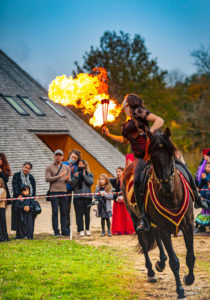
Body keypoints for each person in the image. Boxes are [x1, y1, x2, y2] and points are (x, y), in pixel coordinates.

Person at [103, 93, 164, 231]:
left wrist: (151, 131)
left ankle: (196, 196)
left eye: (124, 99)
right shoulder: (126, 121)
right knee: (136, 181)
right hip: (139, 157)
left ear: (129, 103)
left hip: (149, 152)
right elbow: (124, 141)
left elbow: (159, 120)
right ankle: (143, 216)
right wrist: (108, 135)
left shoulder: (139, 112)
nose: (122, 101)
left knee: (177, 165)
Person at [45, 149, 71, 237]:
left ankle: (64, 230)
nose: (58, 157)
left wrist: (68, 179)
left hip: (64, 192)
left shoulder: (66, 167)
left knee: (64, 212)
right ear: (54, 156)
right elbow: (47, 179)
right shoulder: (49, 167)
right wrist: (58, 176)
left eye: (60, 155)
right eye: (57, 155)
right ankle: (56, 231)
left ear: (63, 157)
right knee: (55, 212)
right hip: (54, 192)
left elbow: (69, 180)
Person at [70, 160, 93, 237]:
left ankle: (87, 229)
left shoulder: (89, 174)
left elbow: (90, 182)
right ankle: (81, 230)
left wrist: (84, 175)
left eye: (82, 164)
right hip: (78, 197)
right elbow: (72, 186)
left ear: (85, 166)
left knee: (87, 214)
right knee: (79, 214)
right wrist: (76, 177)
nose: (80, 165)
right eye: (79, 164)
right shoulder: (75, 174)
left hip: (87, 197)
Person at [12, 162, 36, 232]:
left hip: (28, 199)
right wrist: (18, 194)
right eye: (25, 167)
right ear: (23, 166)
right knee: (19, 216)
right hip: (19, 198)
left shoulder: (31, 177)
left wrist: (33, 198)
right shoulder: (16, 175)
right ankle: (19, 234)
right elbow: (14, 186)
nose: (26, 169)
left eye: (28, 168)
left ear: (30, 170)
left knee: (28, 216)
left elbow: (34, 188)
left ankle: (27, 232)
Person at [110, 167, 135, 235]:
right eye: (117, 172)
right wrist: (116, 192)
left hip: (125, 201)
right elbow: (113, 189)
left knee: (126, 215)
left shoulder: (126, 180)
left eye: (119, 171)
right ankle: (118, 229)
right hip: (117, 200)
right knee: (118, 216)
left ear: (122, 172)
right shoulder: (114, 181)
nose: (118, 173)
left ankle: (127, 229)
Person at [63, 149, 81, 234]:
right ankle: (65, 228)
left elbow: (77, 179)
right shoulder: (63, 164)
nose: (73, 159)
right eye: (72, 157)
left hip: (73, 190)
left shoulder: (77, 167)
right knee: (65, 210)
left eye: (75, 158)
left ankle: (77, 228)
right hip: (63, 189)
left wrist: (75, 175)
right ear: (69, 156)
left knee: (72, 210)